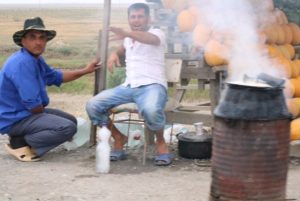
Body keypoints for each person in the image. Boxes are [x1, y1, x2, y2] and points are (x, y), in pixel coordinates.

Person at [0, 17, 100, 162]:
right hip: (14, 118)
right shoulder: (22, 63)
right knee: (66, 128)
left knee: (71, 120)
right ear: (23, 41)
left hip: (24, 113)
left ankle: (27, 137)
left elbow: (56, 76)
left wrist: (85, 71)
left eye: (42, 38)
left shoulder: (35, 59)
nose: (38, 42)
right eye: (32, 37)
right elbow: (33, 105)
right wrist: (52, 125)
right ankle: (21, 142)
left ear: (46, 41)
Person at [86, 3, 174, 166]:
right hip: (128, 87)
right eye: (133, 17)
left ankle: (161, 142)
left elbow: (149, 39)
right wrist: (114, 53)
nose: (136, 20)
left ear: (149, 18)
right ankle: (119, 137)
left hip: (152, 86)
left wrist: (126, 33)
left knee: (151, 109)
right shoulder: (128, 39)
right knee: (93, 105)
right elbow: (123, 48)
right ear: (129, 19)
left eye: (140, 16)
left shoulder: (157, 33)